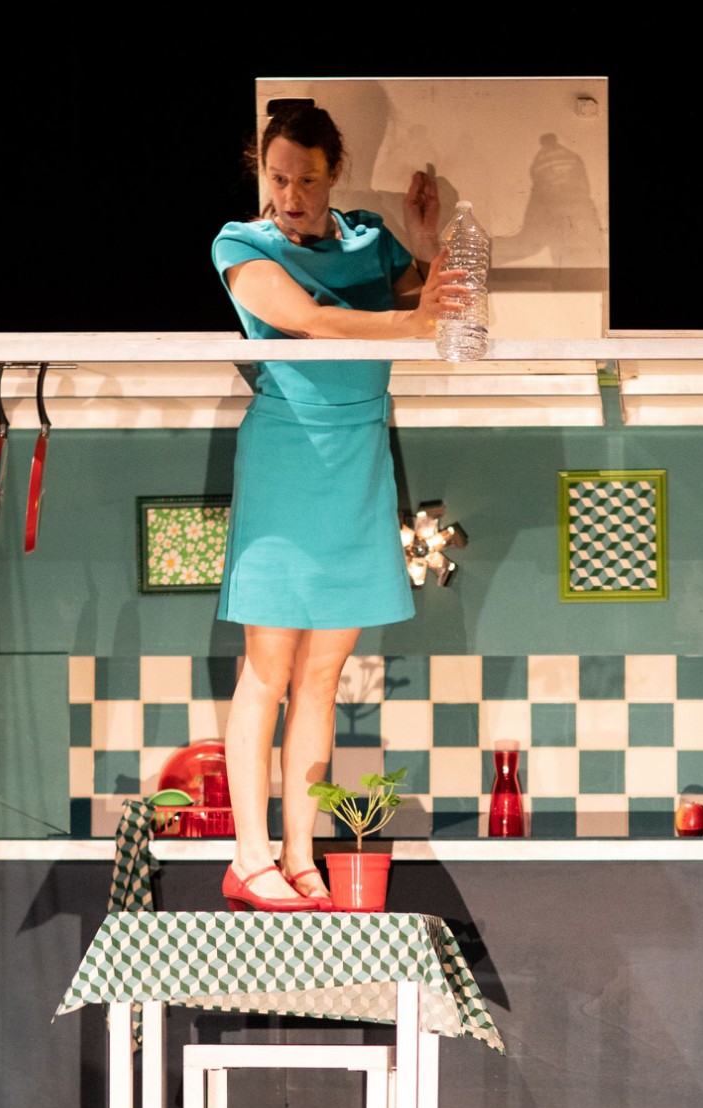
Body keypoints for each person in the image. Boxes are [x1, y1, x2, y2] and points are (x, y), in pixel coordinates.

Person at [210, 103, 465, 912]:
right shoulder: (241, 243)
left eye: (307, 179)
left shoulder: (366, 239)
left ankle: (299, 855)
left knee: (321, 678)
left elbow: (433, 306)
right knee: (268, 667)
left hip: (358, 456)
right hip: (290, 453)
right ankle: (248, 856)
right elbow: (313, 321)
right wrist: (413, 317)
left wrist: (425, 245)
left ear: (334, 172)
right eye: (278, 177)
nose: (291, 194)